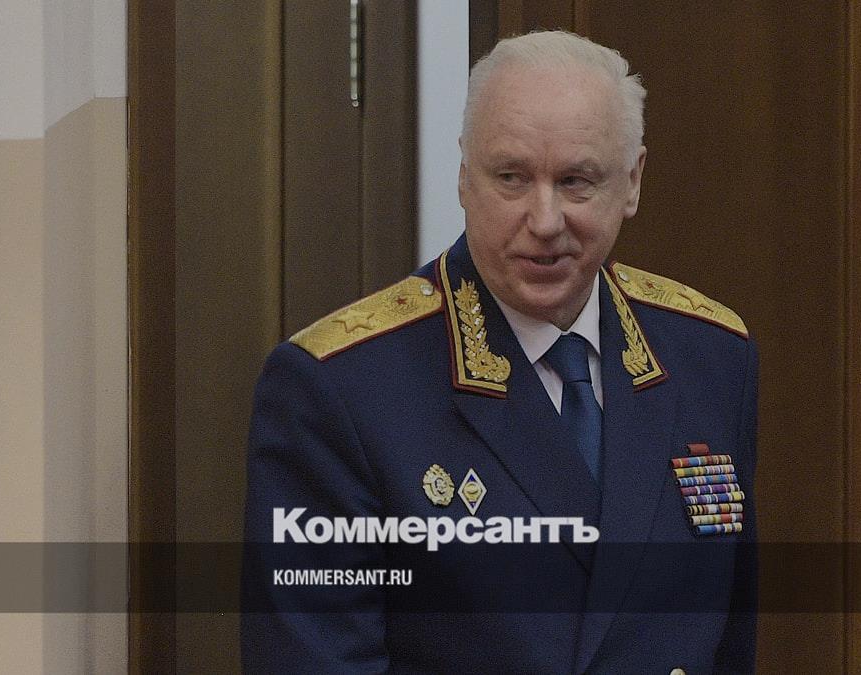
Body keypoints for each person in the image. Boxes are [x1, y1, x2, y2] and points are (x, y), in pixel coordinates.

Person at [242, 30, 758, 674]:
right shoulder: (341, 389)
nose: (544, 221)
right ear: (465, 174)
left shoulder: (709, 355)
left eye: (576, 182)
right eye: (511, 178)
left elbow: (726, 642)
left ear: (632, 182)